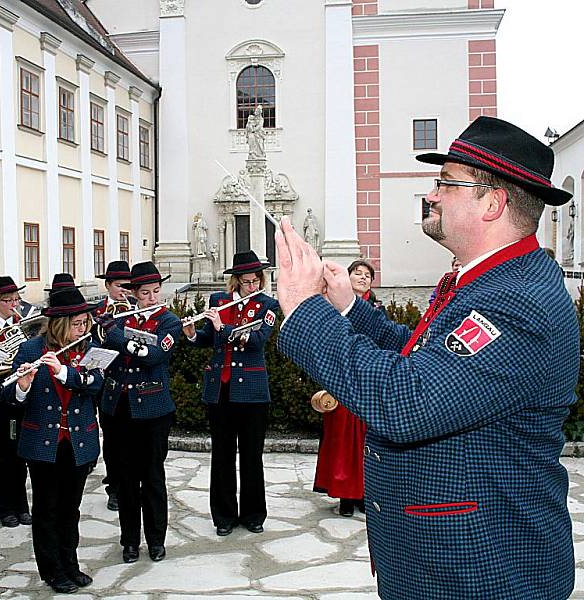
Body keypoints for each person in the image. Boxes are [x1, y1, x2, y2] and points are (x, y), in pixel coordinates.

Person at [273, 116, 578, 599]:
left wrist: (306, 310)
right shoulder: (484, 279)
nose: (431, 194)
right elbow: (423, 357)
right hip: (448, 563)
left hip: (485, 573)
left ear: (493, 203)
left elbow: (408, 400)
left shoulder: (518, 300)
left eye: (447, 184)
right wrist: (346, 308)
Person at [7, 283, 102, 594]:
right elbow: (9, 398)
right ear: (59, 325)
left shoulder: (88, 348)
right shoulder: (31, 350)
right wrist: (22, 385)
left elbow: (96, 384)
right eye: (76, 324)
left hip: (78, 440)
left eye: (85, 323)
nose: (83, 329)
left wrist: (65, 373)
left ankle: (70, 563)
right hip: (43, 442)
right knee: (46, 508)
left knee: (70, 508)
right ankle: (51, 570)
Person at [182, 250, 279, 536]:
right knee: (222, 455)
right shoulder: (218, 302)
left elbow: (257, 341)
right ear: (235, 280)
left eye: (255, 281)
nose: (252, 287)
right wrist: (190, 333)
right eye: (246, 281)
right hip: (220, 388)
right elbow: (209, 339)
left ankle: (253, 514)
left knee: (251, 454)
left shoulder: (268, 305)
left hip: (251, 389)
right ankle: (223, 516)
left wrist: (223, 327)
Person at [101, 262, 181, 563]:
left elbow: (155, 354)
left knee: (152, 476)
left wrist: (120, 338)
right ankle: (130, 541)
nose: (152, 298)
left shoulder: (168, 321)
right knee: (124, 478)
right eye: (145, 293)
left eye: (156, 292)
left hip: (153, 409)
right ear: (134, 294)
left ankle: (156, 539)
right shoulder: (120, 317)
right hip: (118, 407)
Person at [312, 259, 378, 518]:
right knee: (341, 441)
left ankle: (362, 493)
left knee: (364, 442)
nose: (362, 278)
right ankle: (344, 495)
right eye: (357, 274)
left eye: (367, 275)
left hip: (368, 383)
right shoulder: (333, 309)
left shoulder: (376, 310)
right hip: (342, 382)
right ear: (347, 279)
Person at [0, 276, 32, 528]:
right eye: (8, 300)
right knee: (1, 455)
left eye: (16, 299)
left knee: (20, 455)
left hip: (21, 392)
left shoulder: (25, 325)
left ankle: (22, 505)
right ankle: (5, 508)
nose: (14, 304)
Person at [93, 260, 134, 511]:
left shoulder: (136, 310)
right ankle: (114, 487)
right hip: (105, 380)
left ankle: (130, 483)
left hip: (131, 379)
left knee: (132, 438)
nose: (125, 291)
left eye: (129, 287)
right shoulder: (96, 310)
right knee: (111, 438)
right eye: (120, 286)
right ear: (108, 286)